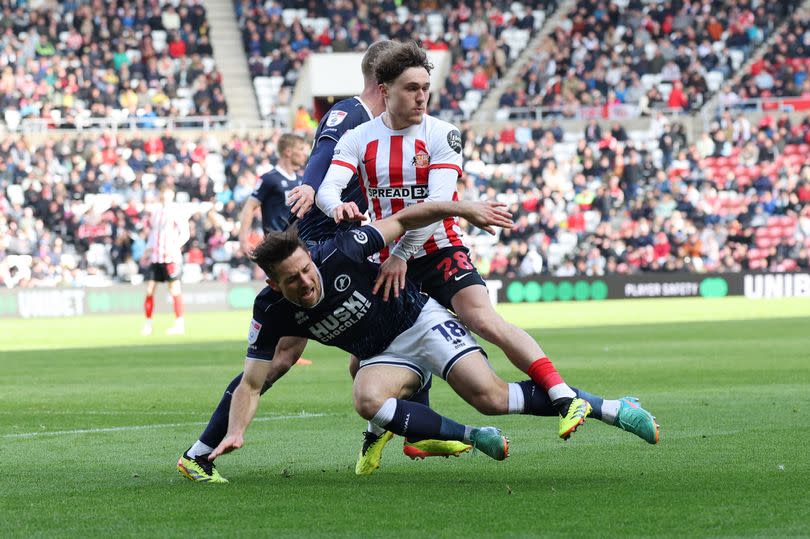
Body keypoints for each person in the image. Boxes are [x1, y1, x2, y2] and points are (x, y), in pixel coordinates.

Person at [177, 40, 470, 483]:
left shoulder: (386, 127)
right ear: (383, 81)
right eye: (408, 83)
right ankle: (200, 452)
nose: (418, 95)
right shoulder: (350, 113)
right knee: (286, 355)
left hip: (341, 234)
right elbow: (323, 153)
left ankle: (403, 425)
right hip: (325, 241)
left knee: (386, 323)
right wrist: (313, 188)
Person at [205, 200, 659, 477]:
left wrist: (463, 210)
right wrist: (237, 432)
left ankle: (615, 409)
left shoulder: (343, 251)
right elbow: (251, 381)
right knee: (365, 398)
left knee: (491, 395)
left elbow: (405, 218)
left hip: (419, 321)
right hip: (383, 355)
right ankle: (471, 437)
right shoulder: (270, 309)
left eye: (306, 270)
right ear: (273, 284)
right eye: (293, 280)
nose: (306, 282)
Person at [315, 41, 595, 448]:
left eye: (426, 86)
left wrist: (399, 256)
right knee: (361, 358)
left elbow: (434, 208)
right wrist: (337, 207)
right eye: (411, 87)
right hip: (388, 260)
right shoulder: (359, 138)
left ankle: (564, 396)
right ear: (385, 89)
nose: (421, 96)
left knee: (483, 320)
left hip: (436, 248)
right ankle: (381, 430)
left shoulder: (442, 133)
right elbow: (327, 189)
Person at [237, 133, 309, 254]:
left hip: (299, 244)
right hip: (277, 246)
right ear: (288, 152)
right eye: (301, 149)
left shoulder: (302, 180)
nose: (304, 154)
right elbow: (249, 207)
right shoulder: (269, 179)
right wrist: (243, 240)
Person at [141, 185, 190, 336]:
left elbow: (185, 233)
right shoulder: (155, 213)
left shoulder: (176, 211)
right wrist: (147, 251)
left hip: (170, 258)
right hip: (156, 257)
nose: (165, 197)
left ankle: (179, 323)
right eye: (163, 194)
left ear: (172, 195)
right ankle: (148, 324)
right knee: (149, 290)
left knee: (174, 289)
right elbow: (153, 234)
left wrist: (175, 246)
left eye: (168, 195)